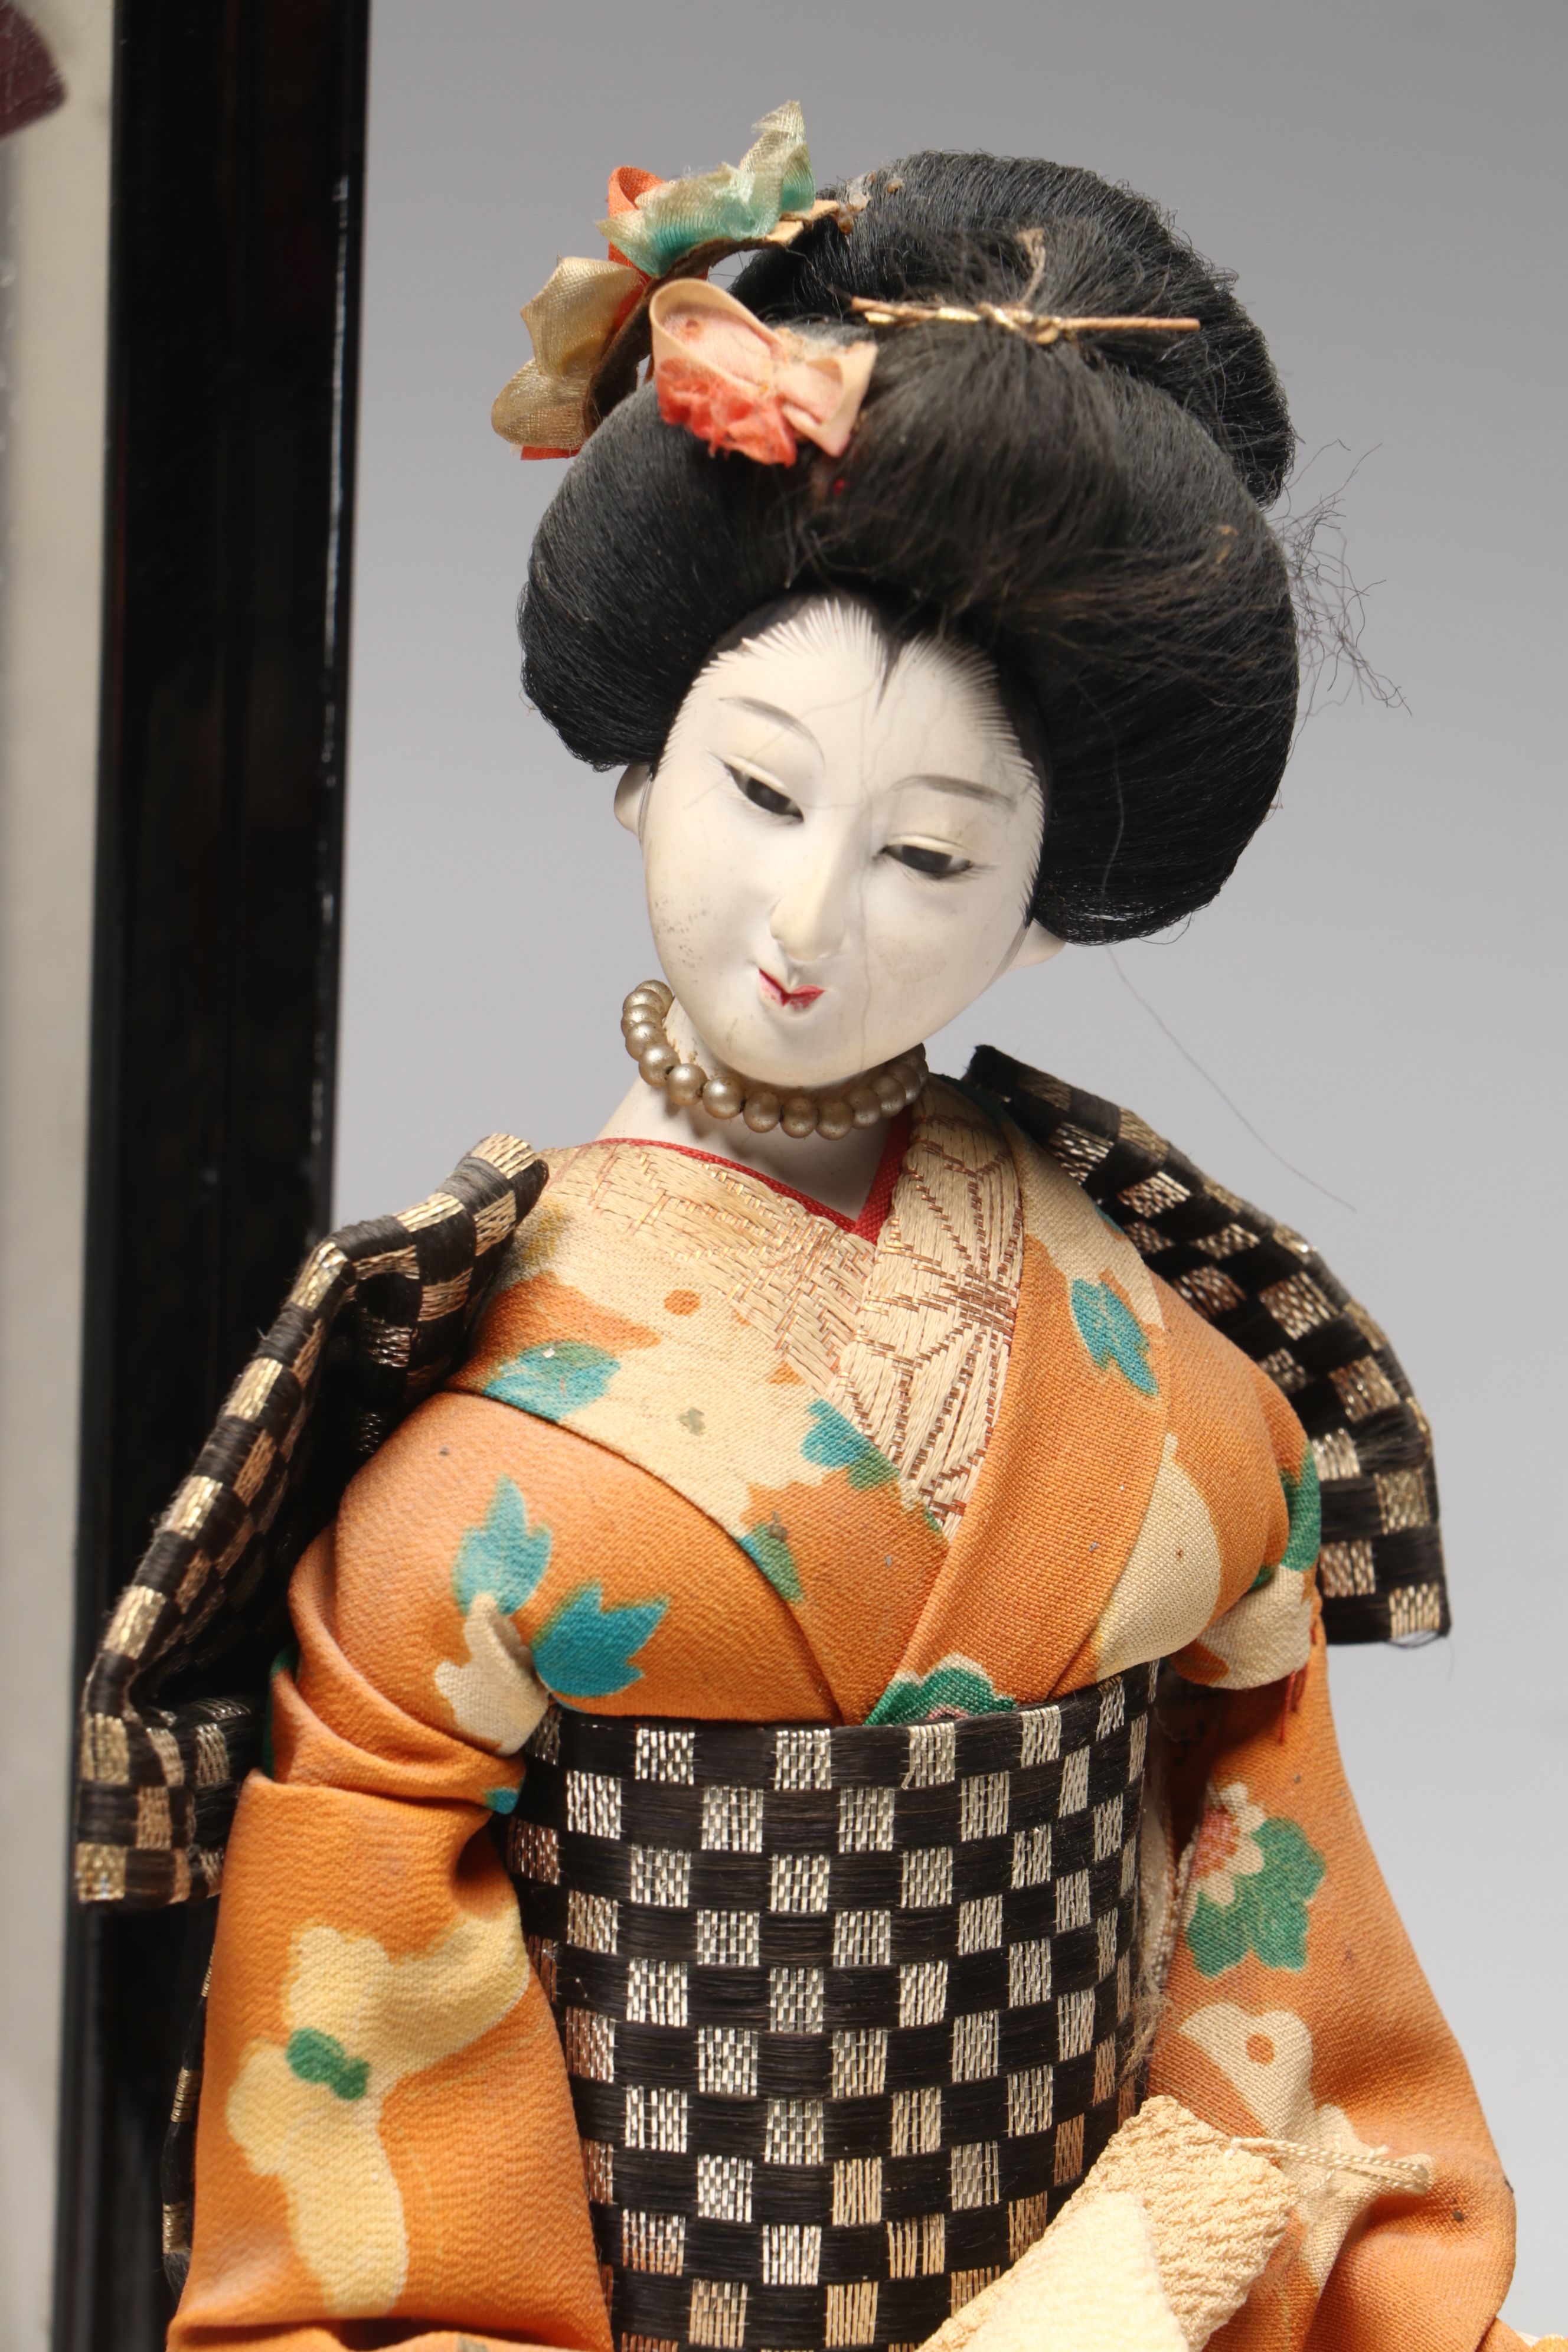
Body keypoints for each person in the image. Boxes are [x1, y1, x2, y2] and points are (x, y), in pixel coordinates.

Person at [158, 110, 1549, 2351]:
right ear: (641, 767)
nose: (810, 918)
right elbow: (357, 2033)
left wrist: (1160, 2267)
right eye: (760, 789)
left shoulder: (1169, 1387)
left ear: (1048, 910)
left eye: (931, 857)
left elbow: (1280, 1935)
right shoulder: (475, 1419)